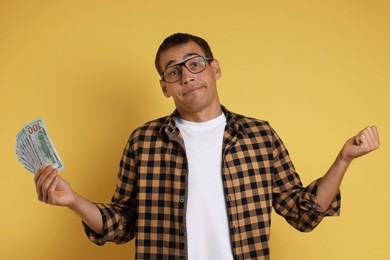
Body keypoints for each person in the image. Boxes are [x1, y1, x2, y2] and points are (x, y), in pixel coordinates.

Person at [34, 33, 380, 260]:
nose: (186, 76)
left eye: (194, 64)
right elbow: (122, 224)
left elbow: (303, 213)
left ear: (214, 69)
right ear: (164, 87)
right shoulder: (143, 142)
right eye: (173, 72)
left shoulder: (259, 136)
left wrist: (344, 159)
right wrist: (72, 200)